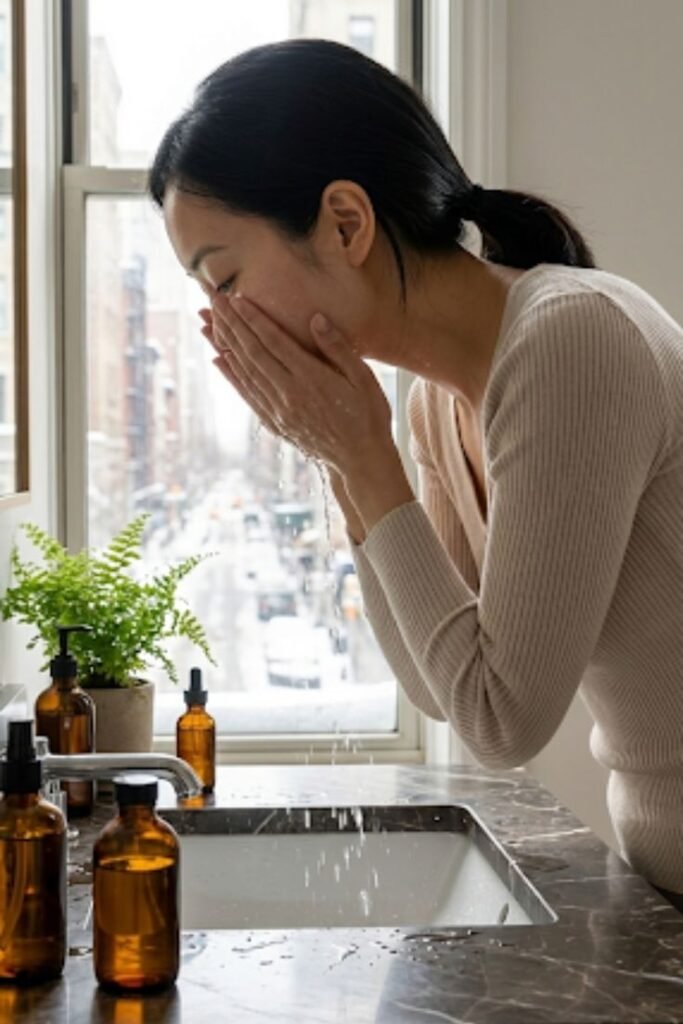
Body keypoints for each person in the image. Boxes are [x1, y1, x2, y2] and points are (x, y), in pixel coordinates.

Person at [148, 39, 683, 909]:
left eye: (226, 278)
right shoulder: (437, 400)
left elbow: (500, 720)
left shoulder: (569, 340)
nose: (221, 325)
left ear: (346, 223)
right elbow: (440, 684)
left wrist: (361, 453)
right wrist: (343, 456)